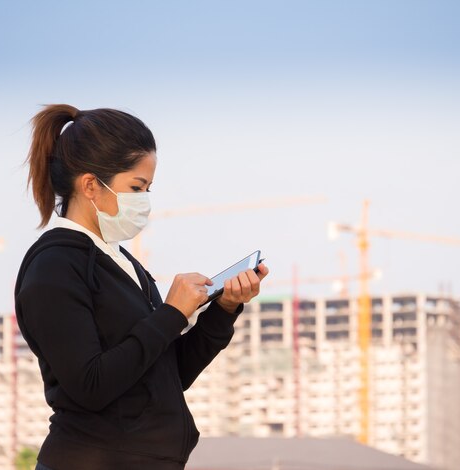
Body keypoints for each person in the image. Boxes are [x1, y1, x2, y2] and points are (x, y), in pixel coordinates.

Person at [14, 104, 269, 470]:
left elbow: (165, 375)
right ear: (90, 185)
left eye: (148, 188)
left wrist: (223, 310)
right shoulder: (54, 266)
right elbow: (91, 385)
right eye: (136, 187)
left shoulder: (119, 261)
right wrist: (171, 314)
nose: (144, 200)